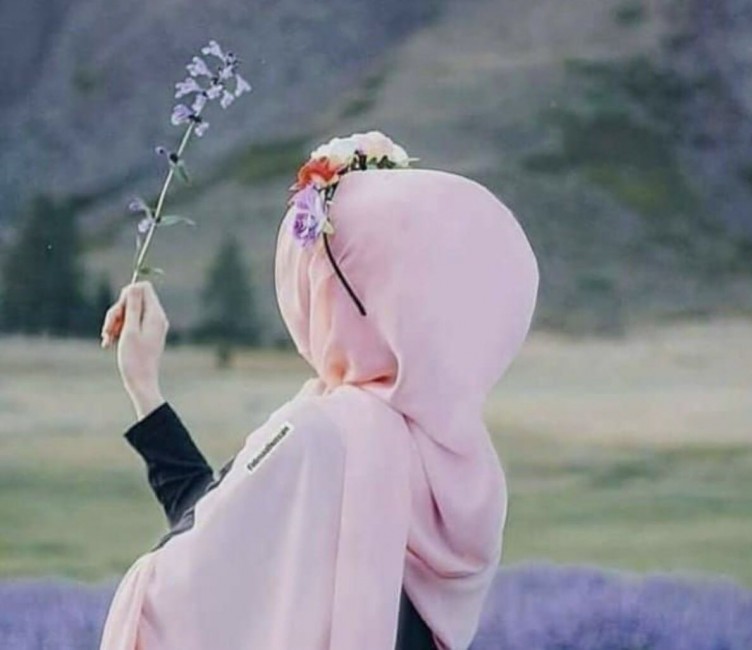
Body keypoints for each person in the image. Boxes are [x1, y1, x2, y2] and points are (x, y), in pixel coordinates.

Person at [98, 133, 540, 650]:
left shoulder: (319, 438)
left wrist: (143, 383)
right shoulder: (467, 468)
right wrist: (148, 395)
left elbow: (189, 576)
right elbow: (224, 528)